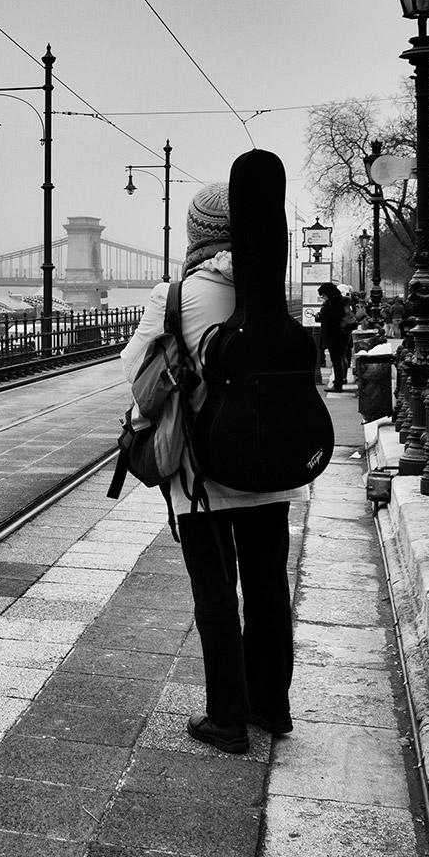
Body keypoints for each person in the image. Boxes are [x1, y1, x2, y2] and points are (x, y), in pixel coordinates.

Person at [121, 181, 307, 756]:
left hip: (202, 470)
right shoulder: (275, 292)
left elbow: (135, 371)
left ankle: (226, 718)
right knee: (269, 586)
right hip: (272, 466)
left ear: (197, 231)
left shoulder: (174, 295)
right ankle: (271, 707)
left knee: (215, 592)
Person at [317, 282, 352, 392]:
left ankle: (338, 385)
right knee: (336, 360)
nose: (323, 298)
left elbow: (336, 317)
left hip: (336, 336)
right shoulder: (335, 299)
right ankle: (338, 383)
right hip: (336, 336)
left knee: (336, 360)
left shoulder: (335, 300)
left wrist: (324, 318)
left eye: (323, 295)